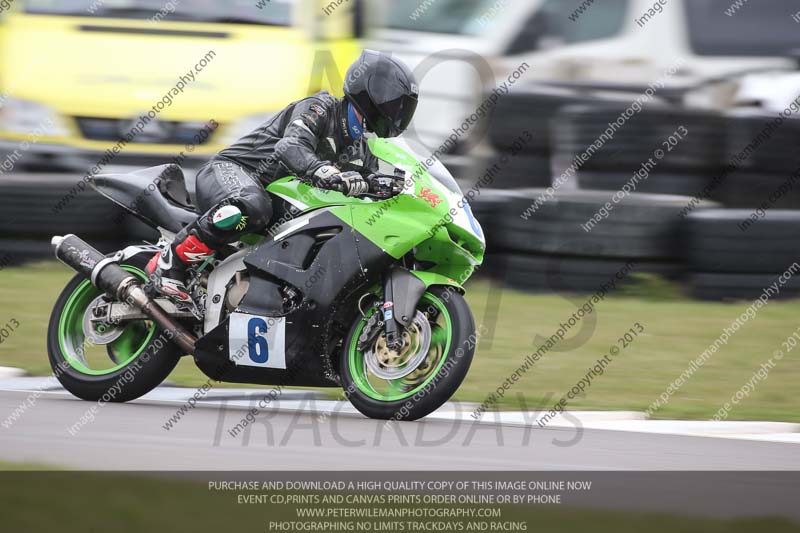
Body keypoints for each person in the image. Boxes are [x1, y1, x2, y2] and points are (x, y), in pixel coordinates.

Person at [147, 50, 419, 304]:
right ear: (375, 93)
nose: (397, 111)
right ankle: (170, 261)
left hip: (276, 203)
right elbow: (290, 146)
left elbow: (367, 182)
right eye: (395, 103)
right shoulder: (320, 108)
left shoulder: (361, 150)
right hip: (231, 171)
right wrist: (323, 170)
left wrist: (394, 187)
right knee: (254, 205)